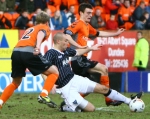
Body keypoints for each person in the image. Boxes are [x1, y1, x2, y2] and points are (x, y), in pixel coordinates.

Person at [44, 32, 143, 112]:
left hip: (74, 79)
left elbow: (77, 52)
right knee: (91, 109)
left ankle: (129, 101)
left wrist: (90, 48)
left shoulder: (65, 51)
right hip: (65, 87)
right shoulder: (50, 53)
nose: (67, 43)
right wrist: (50, 85)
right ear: (58, 41)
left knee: (103, 88)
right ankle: (64, 107)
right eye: (66, 41)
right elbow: (42, 70)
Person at [64, 2, 125, 106]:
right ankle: (109, 98)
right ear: (81, 13)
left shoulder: (87, 25)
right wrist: (79, 46)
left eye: (91, 13)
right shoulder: (78, 23)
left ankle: (70, 102)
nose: (90, 15)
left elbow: (99, 33)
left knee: (91, 86)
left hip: (82, 59)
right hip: (78, 59)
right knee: (102, 70)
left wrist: (115, 33)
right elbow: (66, 34)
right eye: (88, 13)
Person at [0, 11, 59, 109]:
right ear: (47, 22)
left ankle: (0, 102)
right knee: (54, 71)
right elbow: (41, 33)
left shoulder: (29, 28)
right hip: (28, 51)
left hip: (16, 52)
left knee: (15, 82)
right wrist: (38, 46)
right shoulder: (44, 27)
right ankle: (44, 95)